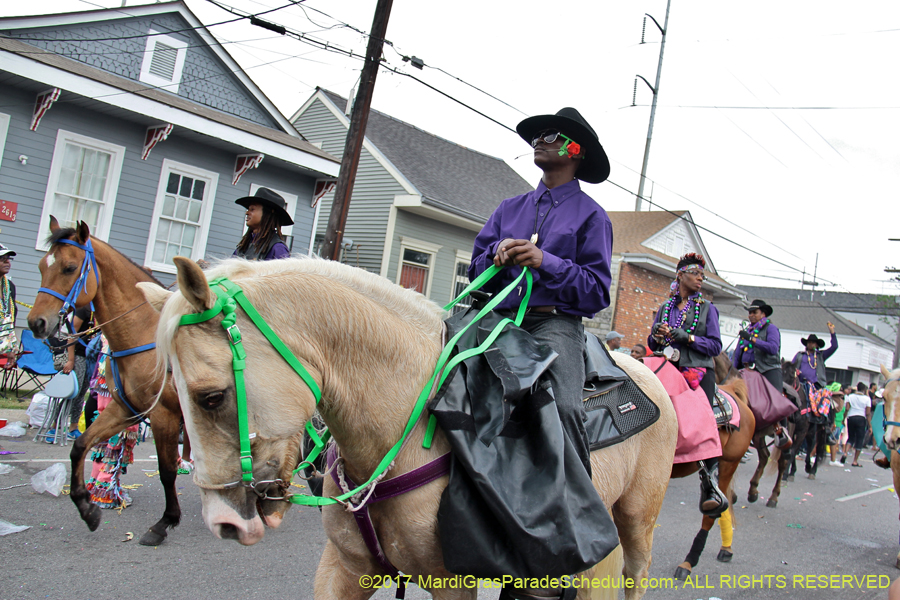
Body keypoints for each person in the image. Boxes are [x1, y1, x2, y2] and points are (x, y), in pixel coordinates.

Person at [469, 107, 613, 478]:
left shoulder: (593, 216)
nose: (539, 141)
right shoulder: (508, 208)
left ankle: (576, 502)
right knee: (444, 384)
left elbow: (597, 292)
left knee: (564, 408)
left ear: (576, 150)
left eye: (551, 136)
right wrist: (496, 255)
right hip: (498, 322)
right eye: (537, 136)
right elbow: (474, 273)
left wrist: (545, 261)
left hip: (554, 325)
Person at [648, 252, 727, 516]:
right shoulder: (665, 307)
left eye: (702, 275)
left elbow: (715, 346)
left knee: (705, 417)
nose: (700, 278)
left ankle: (711, 483)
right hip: (668, 367)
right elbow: (652, 343)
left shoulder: (707, 309)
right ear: (680, 276)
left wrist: (689, 338)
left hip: (698, 370)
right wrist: (657, 335)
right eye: (695, 274)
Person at [734, 298, 791, 446]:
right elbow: (738, 354)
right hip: (747, 371)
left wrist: (753, 339)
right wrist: (732, 371)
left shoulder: (771, 329)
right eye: (750, 313)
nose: (751, 315)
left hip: (768, 369)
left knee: (776, 399)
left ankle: (782, 432)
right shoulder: (747, 331)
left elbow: (773, 348)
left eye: (755, 312)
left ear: (763, 314)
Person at [233, 188, 293, 260]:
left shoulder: (278, 248)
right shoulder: (244, 246)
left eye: (252, 209)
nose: (247, 213)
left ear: (268, 214)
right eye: (248, 209)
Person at [791, 324, 838, 389]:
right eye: (809, 342)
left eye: (813, 342)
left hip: (816, 385)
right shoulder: (800, 355)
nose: (810, 344)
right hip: (800, 384)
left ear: (817, 345)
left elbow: (834, 346)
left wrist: (832, 332)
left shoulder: (821, 355)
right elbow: (791, 367)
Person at [841, 382, 872, 467]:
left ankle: (845, 453)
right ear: (864, 390)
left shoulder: (850, 396)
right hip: (861, 418)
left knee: (851, 437)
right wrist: (870, 426)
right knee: (859, 439)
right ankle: (855, 461)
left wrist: (844, 418)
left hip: (851, 417)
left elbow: (847, 408)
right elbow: (868, 413)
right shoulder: (867, 399)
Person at [0, 244, 18, 363]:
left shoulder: (9, 287)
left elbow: (10, 317)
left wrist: (10, 349)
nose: (7, 262)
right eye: (2, 259)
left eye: (8, 259)